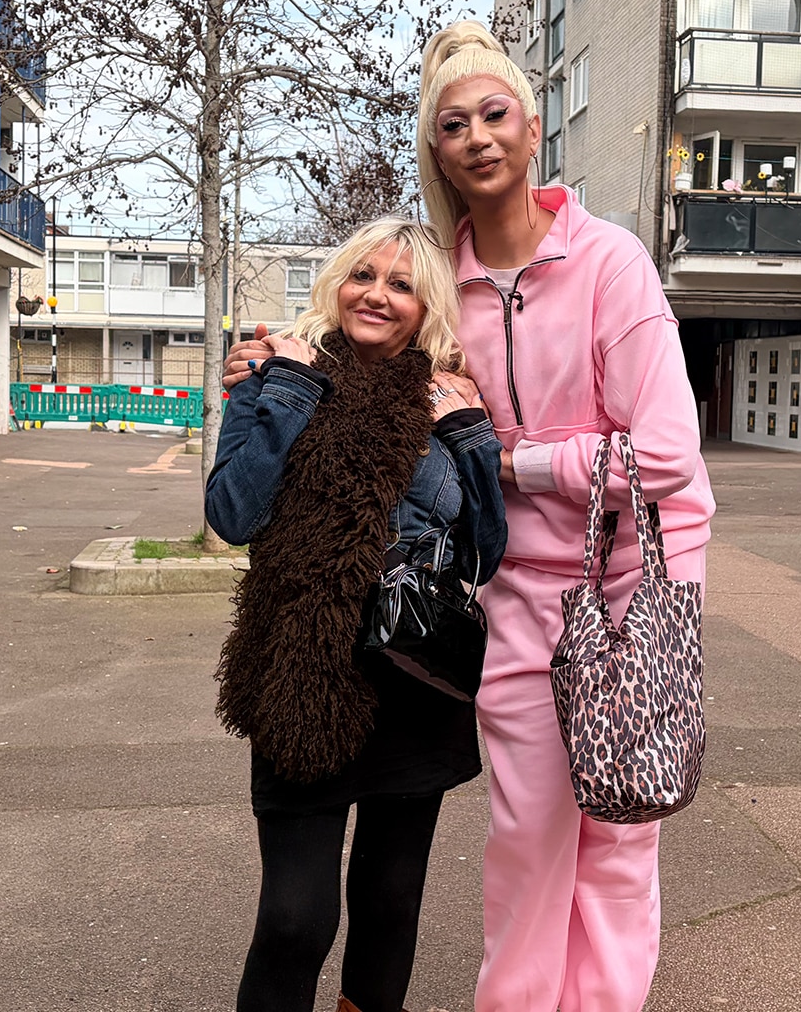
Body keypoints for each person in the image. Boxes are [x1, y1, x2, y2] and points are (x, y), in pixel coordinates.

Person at [227, 23, 715, 1011]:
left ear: (532, 130)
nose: (480, 137)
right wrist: (273, 366)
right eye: (456, 124)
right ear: (436, 148)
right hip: (508, 595)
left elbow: (666, 456)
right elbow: (367, 344)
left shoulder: (609, 263)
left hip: (633, 588)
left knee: (618, 841)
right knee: (529, 842)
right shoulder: (441, 275)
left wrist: (518, 459)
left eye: (497, 115)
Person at [206, 214, 508, 1012]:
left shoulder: (446, 397)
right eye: (363, 276)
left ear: (426, 306)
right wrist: (294, 389)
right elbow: (233, 512)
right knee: (296, 921)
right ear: (336, 282)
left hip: (416, 683)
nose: (377, 295)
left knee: (389, 909)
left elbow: (484, 554)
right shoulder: (274, 377)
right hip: (304, 675)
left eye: (402, 285)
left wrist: (470, 434)